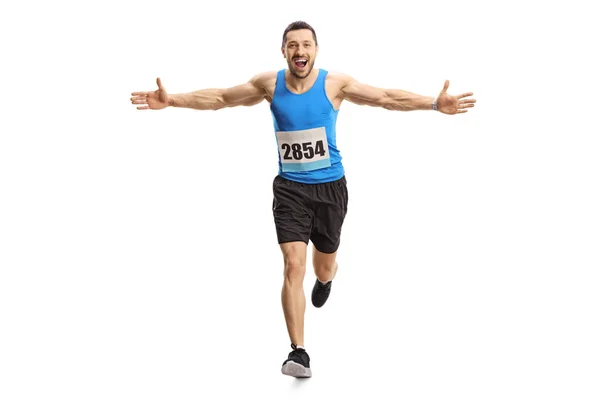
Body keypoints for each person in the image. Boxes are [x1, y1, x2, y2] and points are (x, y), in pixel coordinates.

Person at [130, 20, 476, 378]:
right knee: (294, 265)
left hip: (330, 189)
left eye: (306, 45)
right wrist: (171, 100)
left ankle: (326, 279)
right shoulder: (268, 84)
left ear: (315, 50)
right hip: (290, 189)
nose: (300, 51)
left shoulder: (334, 83)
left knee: (322, 266)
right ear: (284, 51)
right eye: (292, 45)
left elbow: (386, 98)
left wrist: (434, 103)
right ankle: (298, 352)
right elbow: (220, 98)